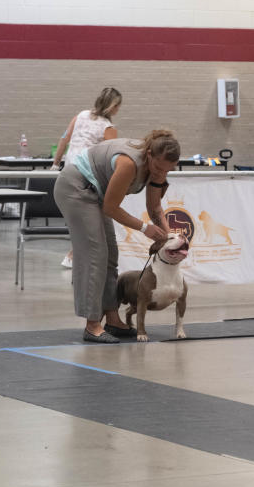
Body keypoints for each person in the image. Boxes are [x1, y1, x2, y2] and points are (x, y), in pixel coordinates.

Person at [54, 130, 180, 343]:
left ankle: (112, 318)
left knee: (111, 254)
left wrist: (168, 239)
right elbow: (111, 207)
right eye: (158, 168)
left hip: (96, 194)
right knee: (95, 255)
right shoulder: (129, 163)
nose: (161, 173)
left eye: (167, 170)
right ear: (149, 154)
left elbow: (155, 207)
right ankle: (92, 324)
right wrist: (144, 228)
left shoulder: (159, 168)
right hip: (76, 188)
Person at [52, 87, 123, 269]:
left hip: (67, 173)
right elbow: (109, 158)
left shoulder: (81, 115)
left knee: (78, 221)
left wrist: (55, 163)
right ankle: (75, 256)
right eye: (118, 106)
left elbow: (64, 139)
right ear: (112, 106)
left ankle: (74, 255)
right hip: (87, 177)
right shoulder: (108, 127)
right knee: (93, 221)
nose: (118, 110)